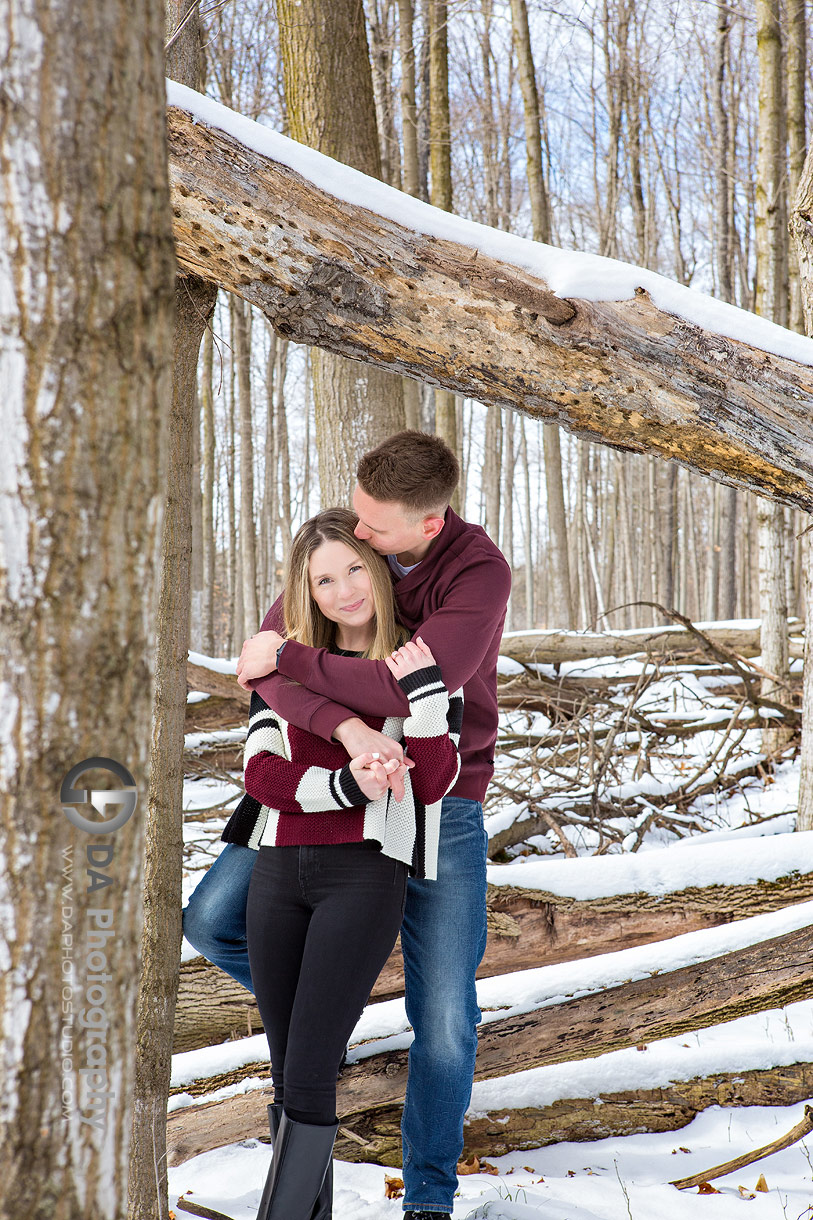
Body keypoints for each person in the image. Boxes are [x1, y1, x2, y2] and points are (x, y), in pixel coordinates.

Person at [184, 431, 511, 1220]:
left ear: (424, 528)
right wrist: (344, 728)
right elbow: (264, 674)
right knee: (210, 919)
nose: (358, 538)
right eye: (355, 521)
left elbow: (411, 696)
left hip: (443, 795)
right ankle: (319, 1027)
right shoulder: (341, 554)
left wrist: (293, 667)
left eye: (373, 534)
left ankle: (427, 1200)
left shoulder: (472, 574)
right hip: (307, 807)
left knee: (443, 1015)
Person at [236, 508, 462, 1220]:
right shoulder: (285, 667)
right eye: (324, 580)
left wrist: (423, 700)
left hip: (362, 877)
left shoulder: (414, 663)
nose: (344, 591)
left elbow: (429, 784)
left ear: (380, 570)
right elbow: (259, 773)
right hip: (275, 876)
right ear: (308, 592)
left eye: (354, 569)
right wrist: (341, 786)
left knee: (307, 1071)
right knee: (288, 1073)